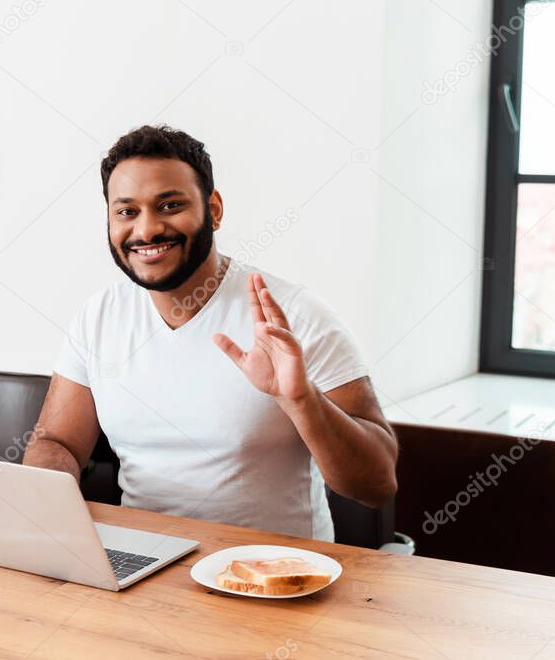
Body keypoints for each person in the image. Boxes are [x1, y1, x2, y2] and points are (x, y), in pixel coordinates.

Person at [22, 125, 397, 540]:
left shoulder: (295, 316)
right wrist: (48, 510)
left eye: (169, 206)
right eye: (126, 211)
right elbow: (58, 441)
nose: (146, 230)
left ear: (214, 209)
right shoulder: (98, 317)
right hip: (142, 566)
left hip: (273, 576)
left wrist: (301, 399)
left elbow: (377, 485)